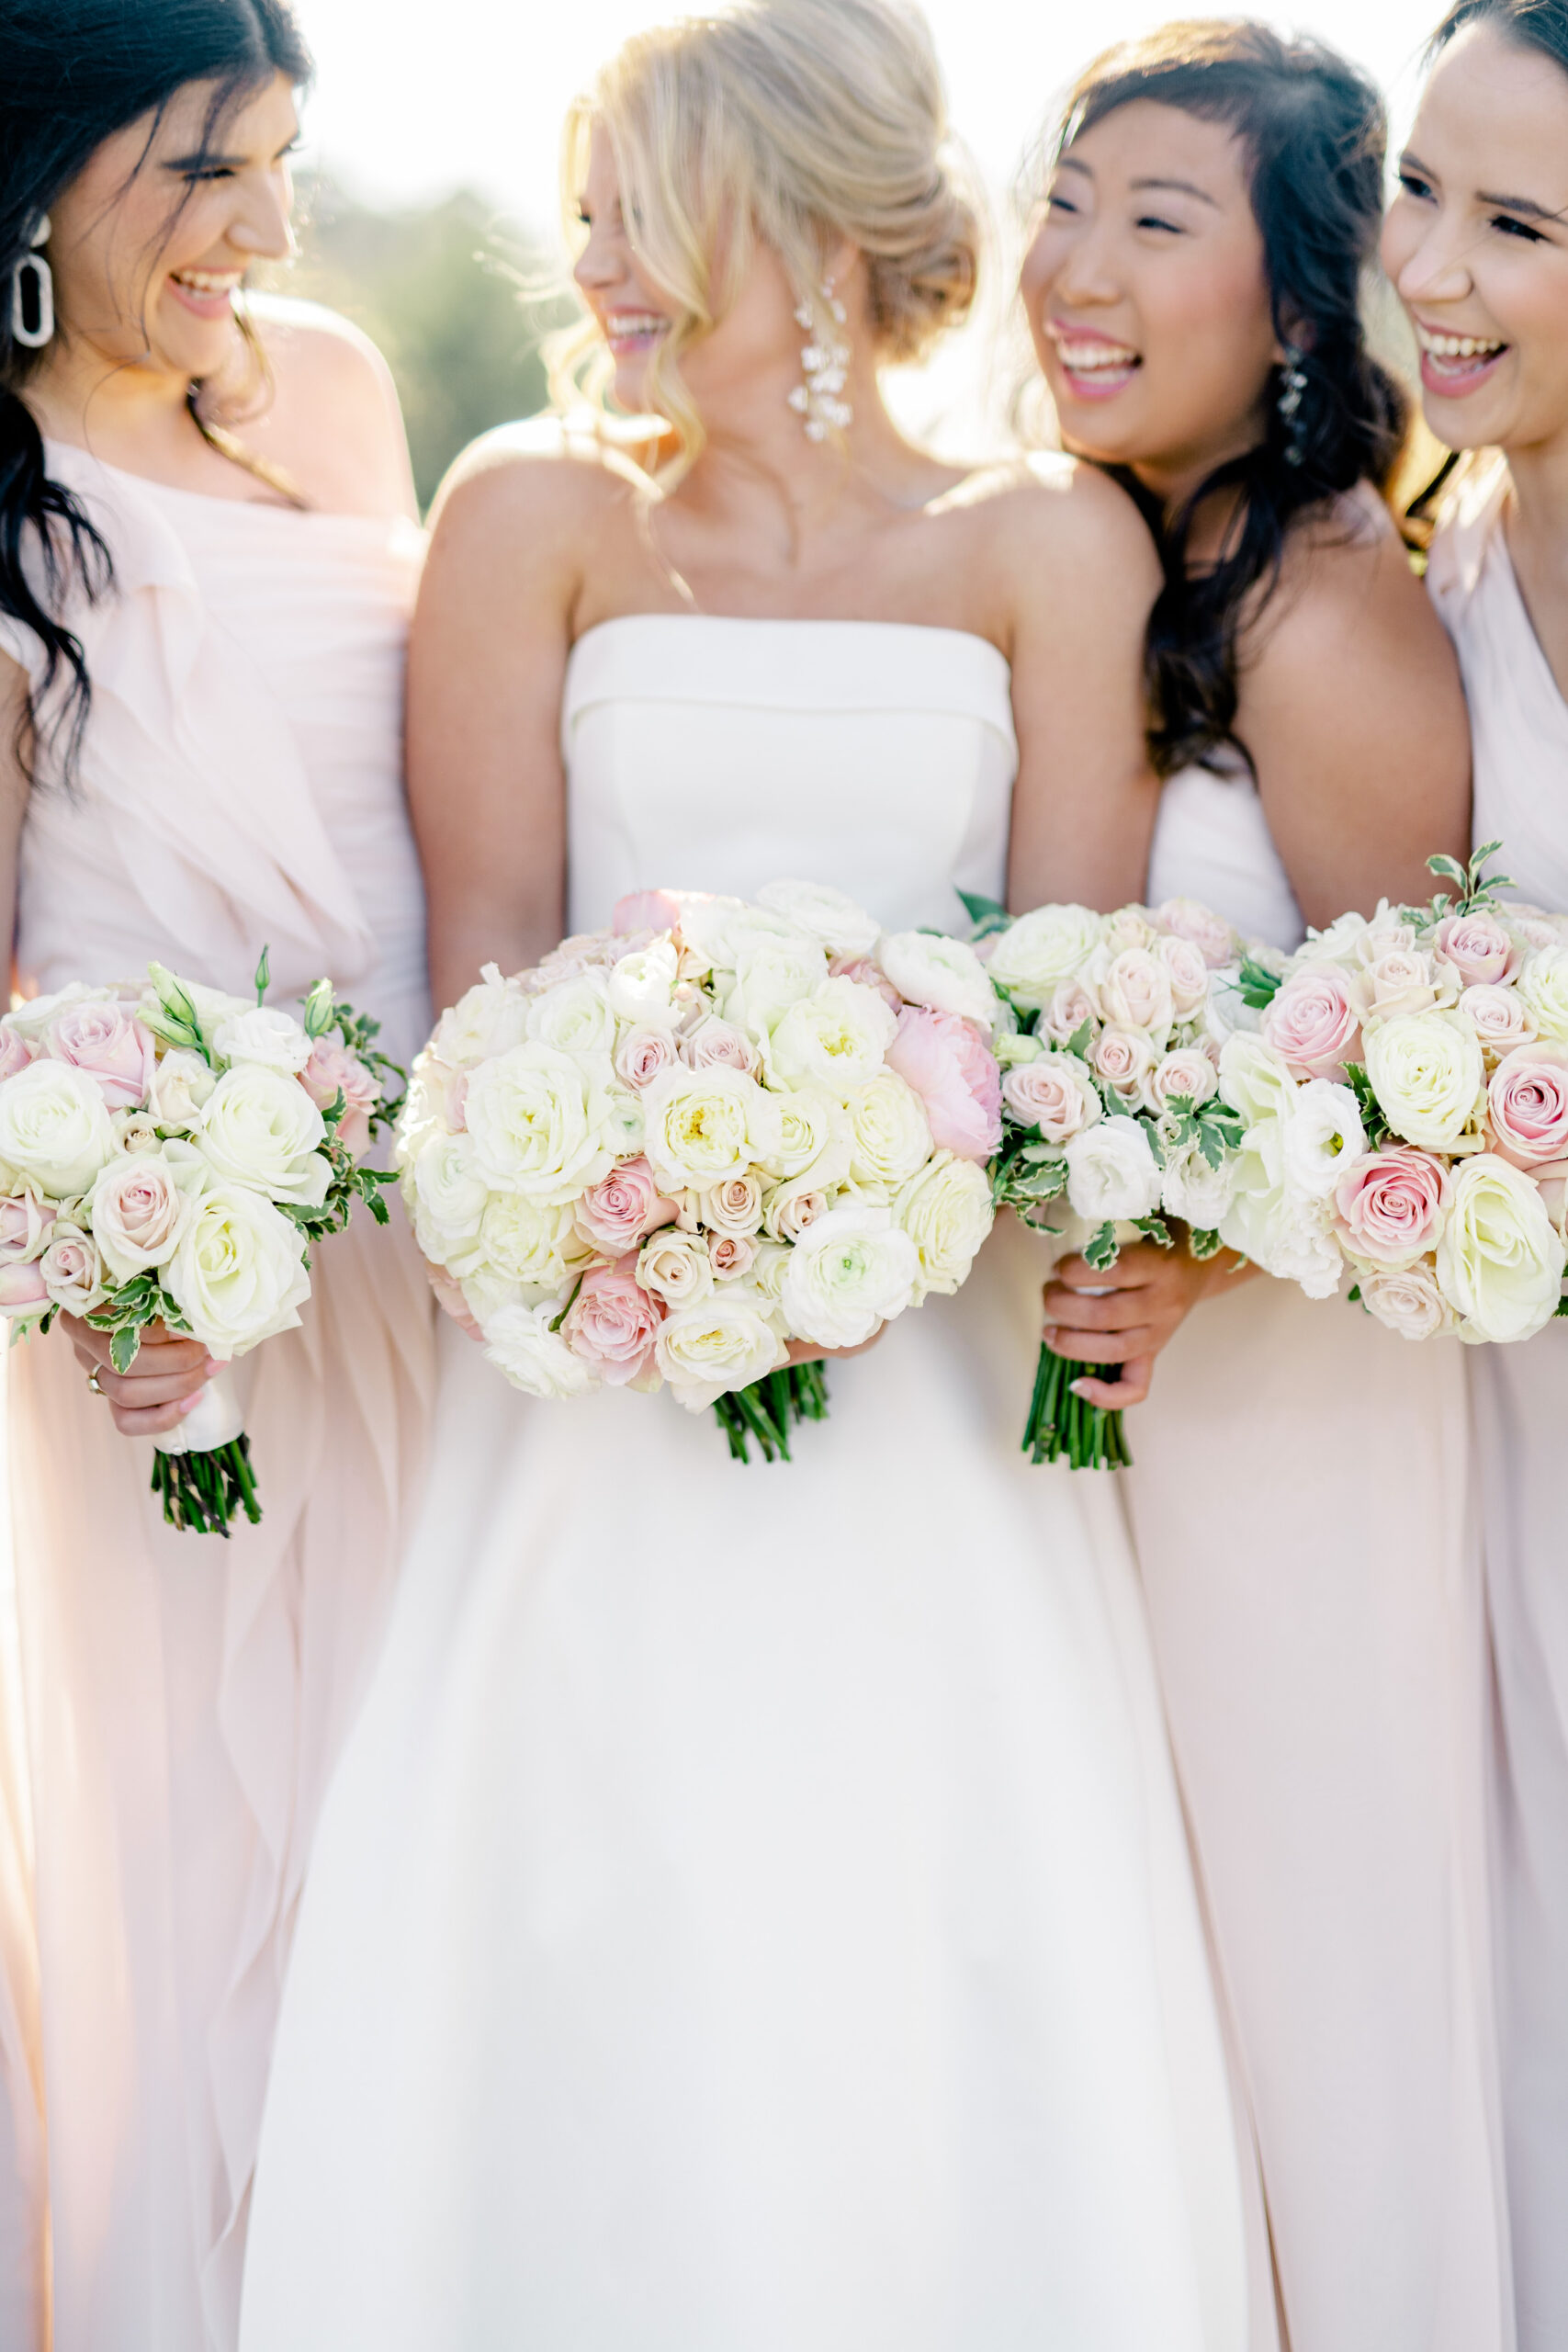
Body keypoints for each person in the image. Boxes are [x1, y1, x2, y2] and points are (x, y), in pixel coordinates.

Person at [239, 6, 1255, 2345]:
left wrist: (866, 1168)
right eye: (579, 207)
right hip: (589, 1368)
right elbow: (480, 981)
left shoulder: (1043, 542)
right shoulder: (529, 509)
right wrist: (631, 1193)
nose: (586, 258)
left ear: (799, 212)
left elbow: (1056, 1002)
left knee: (918, 1909)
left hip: (935, 1378)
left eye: (636, 207)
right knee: (593, 1891)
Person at [1021, 24, 1510, 2352]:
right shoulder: (1082, 546)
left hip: (1289, 1419)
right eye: (1059, 197)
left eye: (1149, 219)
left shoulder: (1323, 606)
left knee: (1310, 1983)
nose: (1069, 267)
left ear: (1297, 312)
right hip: (1105, 1430)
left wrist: (1209, 1238)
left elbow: (1440, 1074)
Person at [0, 4, 436, 2342]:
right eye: (198, 170)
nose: (260, 232)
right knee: (188, 1860)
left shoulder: (339, 387)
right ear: (41, 174)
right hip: (148, 1301)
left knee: (417, 1811)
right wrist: (109, 1236)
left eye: (282, 163)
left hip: (423, 1249)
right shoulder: (4, 488)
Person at [1385, 6, 1568, 2340]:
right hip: (1510, 1438)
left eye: (1514, 223)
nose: (1428, 267)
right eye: (1416, 191)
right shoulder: (1428, 603)